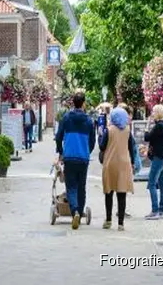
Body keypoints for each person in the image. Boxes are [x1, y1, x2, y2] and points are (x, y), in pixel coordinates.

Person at [55, 91, 96, 230]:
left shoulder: (66, 118)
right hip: (83, 158)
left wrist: (61, 151)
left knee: (71, 186)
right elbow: (92, 141)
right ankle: (80, 209)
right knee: (81, 186)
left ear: (73, 102)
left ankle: (75, 212)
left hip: (69, 157)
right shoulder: (89, 121)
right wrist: (86, 151)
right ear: (83, 103)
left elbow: (58, 136)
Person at [100, 106, 136, 230]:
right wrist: (132, 161)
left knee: (109, 192)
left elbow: (101, 146)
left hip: (110, 163)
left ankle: (108, 220)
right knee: (122, 194)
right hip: (124, 164)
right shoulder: (127, 130)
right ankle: (121, 223)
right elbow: (131, 147)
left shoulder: (108, 130)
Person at [144, 104, 163, 219]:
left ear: (158, 113)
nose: (152, 114)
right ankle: (162, 210)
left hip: (158, 158)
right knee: (162, 184)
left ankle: (155, 210)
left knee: (152, 183)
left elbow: (147, 137)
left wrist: (147, 126)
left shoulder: (158, 126)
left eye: (153, 112)